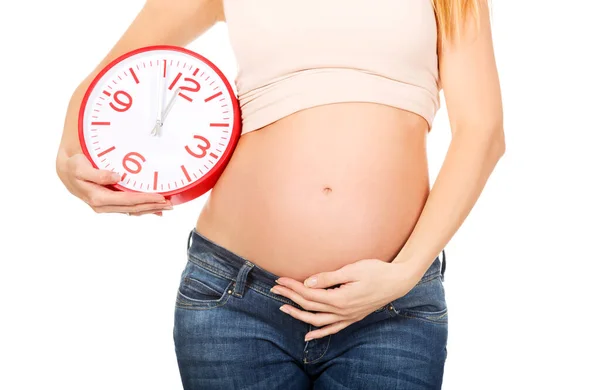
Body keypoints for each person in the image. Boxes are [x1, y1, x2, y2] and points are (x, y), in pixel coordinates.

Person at [55, 0, 504, 388]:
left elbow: (482, 132)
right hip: (235, 299)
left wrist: (404, 272)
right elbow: (103, 83)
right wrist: (69, 165)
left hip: (390, 306)